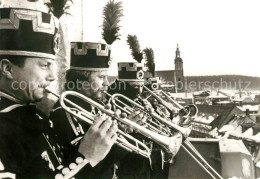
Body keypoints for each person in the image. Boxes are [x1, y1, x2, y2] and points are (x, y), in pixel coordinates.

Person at [0, 5, 117, 179]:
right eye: (44, 65)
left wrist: (105, 138)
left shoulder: (32, 115)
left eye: (52, 65)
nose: (53, 76)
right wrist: (85, 158)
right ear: (7, 68)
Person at [50, 42, 147, 179]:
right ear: (81, 81)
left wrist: (124, 130)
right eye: (102, 77)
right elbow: (90, 163)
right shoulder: (65, 110)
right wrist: (122, 136)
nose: (107, 83)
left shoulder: (96, 105)